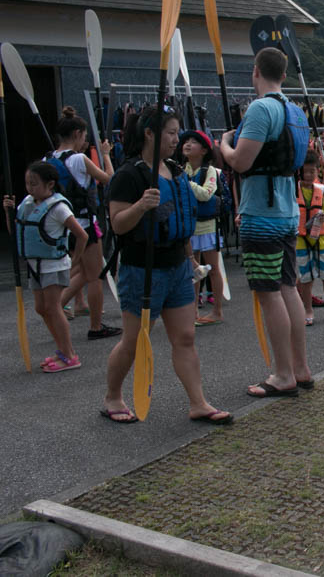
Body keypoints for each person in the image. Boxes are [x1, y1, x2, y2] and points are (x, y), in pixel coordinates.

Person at [101, 105, 232, 425]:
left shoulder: (175, 171)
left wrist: (190, 260)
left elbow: (180, 220)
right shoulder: (128, 175)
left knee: (185, 337)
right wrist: (140, 206)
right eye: (171, 133)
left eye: (177, 133)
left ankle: (198, 402)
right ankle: (113, 397)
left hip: (177, 268)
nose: (177, 140)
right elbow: (117, 224)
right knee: (134, 341)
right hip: (142, 270)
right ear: (149, 134)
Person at [220, 47, 313, 396]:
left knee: (269, 293)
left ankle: (283, 374)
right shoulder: (296, 111)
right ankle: (300, 368)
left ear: (256, 71)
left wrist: (224, 144)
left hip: (262, 215)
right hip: (288, 212)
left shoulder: (260, 109)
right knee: (288, 288)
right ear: (284, 75)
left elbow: (240, 162)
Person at [45, 107, 122, 341]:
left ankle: (56, 307)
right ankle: (96, 326)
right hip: (85, 223)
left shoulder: (47, 159)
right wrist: (106, 155)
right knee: (95, 275)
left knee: (81, 271)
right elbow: (109, 179)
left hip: (62, 225)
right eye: (84, 136)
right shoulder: (79, 159)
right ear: (78, 133)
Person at [4, 161, 87, 372]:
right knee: (41, 308)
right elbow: (16, 232)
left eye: (34, 183)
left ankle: (70, 356)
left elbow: (82, 235)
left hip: (53, 265)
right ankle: (63, 350)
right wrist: (8, 212)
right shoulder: (27, 204)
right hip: (35, 266)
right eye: (27, 183)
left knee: (53, 308)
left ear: (50, 184)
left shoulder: (59, 208)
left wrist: (75, 261)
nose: (30, 188)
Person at [178, 129, 225, 326]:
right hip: (189, 226)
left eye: (193, 142)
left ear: (204, 150)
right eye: (186, 141)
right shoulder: (182, 169)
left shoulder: (209, 171)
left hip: (208, 226)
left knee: (213, 269)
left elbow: (206, 194)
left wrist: (186, 183)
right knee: (193, 271)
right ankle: (193, 310)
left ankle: (217, 311)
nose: (188, 144)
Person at [296, 153, 324, 327]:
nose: (308, 175)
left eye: (312, 171)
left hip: (322, 240)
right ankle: (308, 311)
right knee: (305, 278)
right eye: (305, 171)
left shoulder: (321, 190)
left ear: (317, 171)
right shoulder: (293, 190)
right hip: (301, 241)